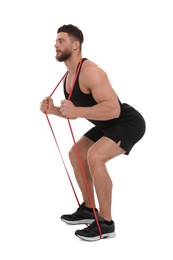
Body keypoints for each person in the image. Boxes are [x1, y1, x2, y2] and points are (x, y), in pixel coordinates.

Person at [40, 24, 146, 241]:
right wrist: (54, 110)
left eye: (61, 41)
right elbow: (76, 112)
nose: (55, 44)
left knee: (94, 156)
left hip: (128, 122)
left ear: (75, 45)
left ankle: (106, 224)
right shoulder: (68, 77)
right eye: (56, 41)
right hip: (107, 124)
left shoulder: (92, 73)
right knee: (76, 154)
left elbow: (113, 108)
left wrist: (75, 110)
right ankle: (89, 209)